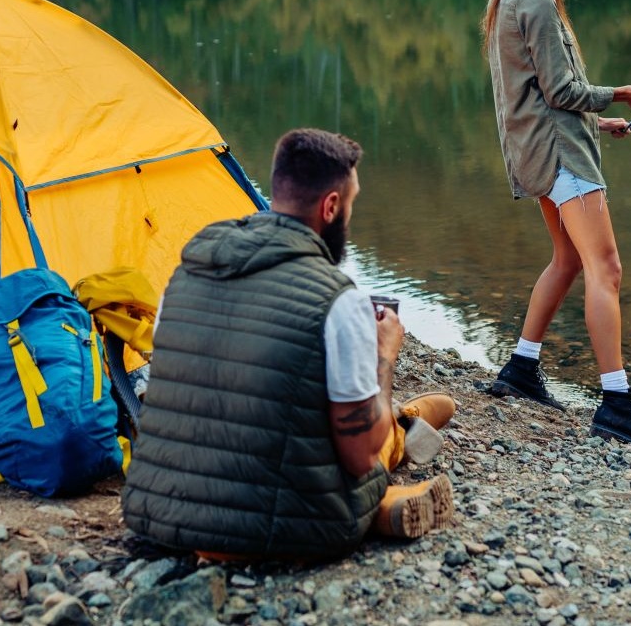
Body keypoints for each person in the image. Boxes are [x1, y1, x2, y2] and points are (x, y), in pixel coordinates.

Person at [122, 128, 457, 561]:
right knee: (369, 450)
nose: (348, 220)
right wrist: (383, 357)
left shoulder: (185, 272)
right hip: (276, 530)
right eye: (350, 206)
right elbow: (358, 457)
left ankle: (402, 427)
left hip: (160, 514)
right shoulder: (339, 299)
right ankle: (398, 439)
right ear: (331, 206)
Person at [481, 0, 631, 454]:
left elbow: (536, 95)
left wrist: (601, 120)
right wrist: (621, 92)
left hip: (537, 151)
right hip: (560, 156)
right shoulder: (538, 3)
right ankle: (617, 403)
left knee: (569, 260)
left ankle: (521, 369)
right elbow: (562, 91)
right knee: (607, 268)